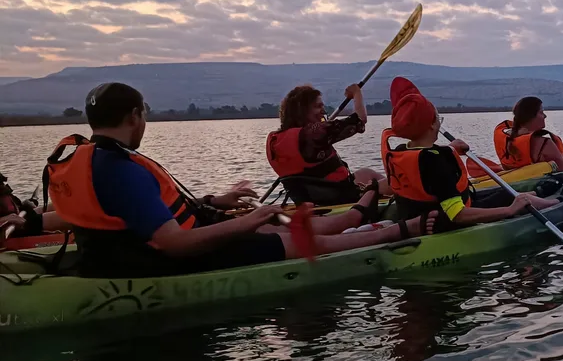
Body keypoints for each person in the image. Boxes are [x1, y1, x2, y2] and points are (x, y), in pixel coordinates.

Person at [45, 82, 436, 278]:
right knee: (299, 238)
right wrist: (246, 223)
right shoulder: (123, 170)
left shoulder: (83, 160)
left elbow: (110, 213)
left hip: (117, 256)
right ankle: (398, 229)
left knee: (299, 227)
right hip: (162, 261)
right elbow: (174, 243)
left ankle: (360, 215)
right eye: (143, 115)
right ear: (134, 116)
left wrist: (217, 201)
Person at [381, 77, 558, 231]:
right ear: (432, 125)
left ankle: (539, 196)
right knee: (517, 198)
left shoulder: (400, 152)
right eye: (438, 118)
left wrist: (451, 149)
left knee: (505, 193)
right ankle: (556, 203)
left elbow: (424, 162)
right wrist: (510, 210)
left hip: (420, 216)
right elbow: (458, 214)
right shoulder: (436, 162)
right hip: (444, 224)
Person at [266, 83, 391, 205]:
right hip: (339, 197)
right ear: (302, 110)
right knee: (391, 181)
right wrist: (356, 92)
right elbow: (360, 119)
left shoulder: (274, 140)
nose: (323, 111)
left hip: (307, 199)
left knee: (366, 173)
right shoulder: (314, 134)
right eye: (318, 106)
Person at [493, 96, 563, 171]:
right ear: (530, 116)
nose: (545, 116)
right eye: (541, 112)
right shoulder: (545, 144)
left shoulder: (504, 139)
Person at [1, 171, 67, 242]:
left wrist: (22, 204)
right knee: (72, 217)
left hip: (21, 216)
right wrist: (4, 219)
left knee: (64, 206)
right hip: (15, 228)